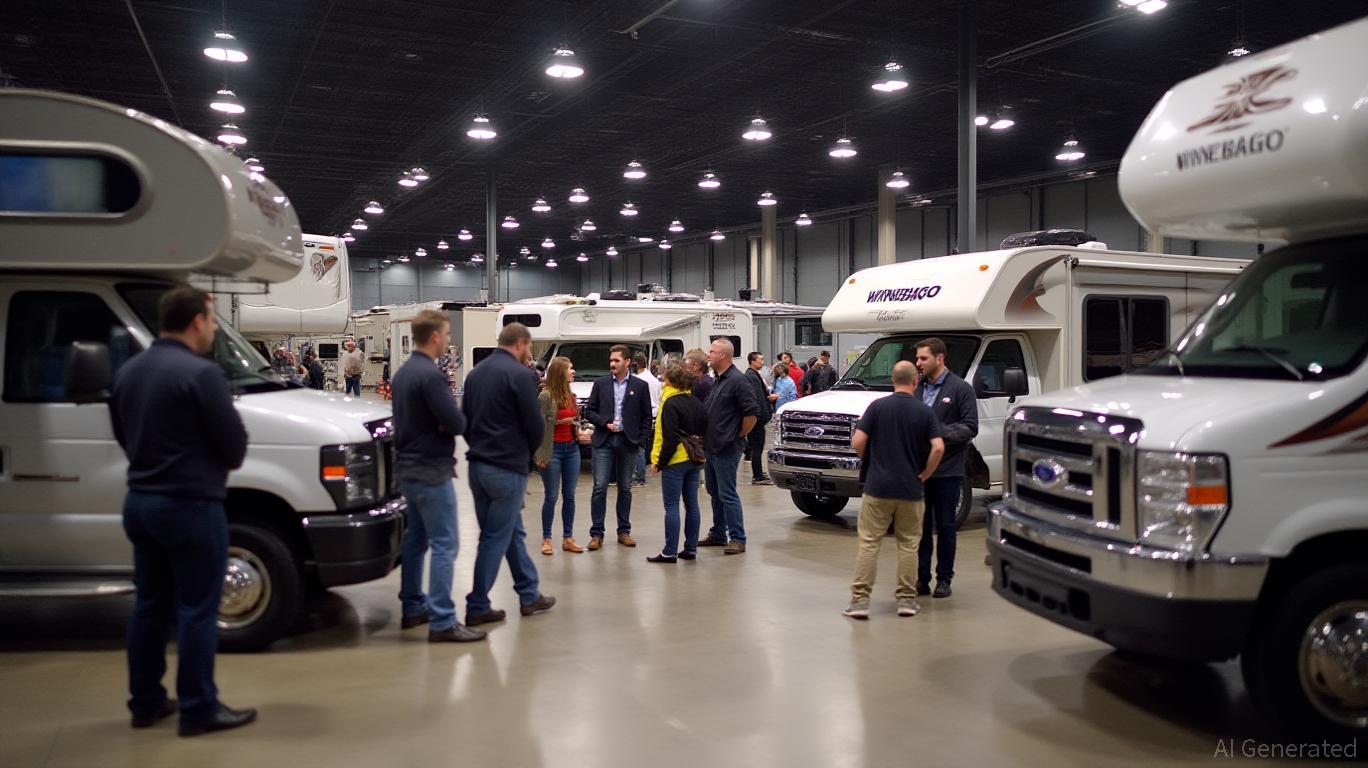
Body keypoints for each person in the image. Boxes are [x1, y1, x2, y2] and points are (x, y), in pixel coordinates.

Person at [108, 285, 256, 737]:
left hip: (140, 502)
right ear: (196, 322)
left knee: (149, 606)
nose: (214, 330)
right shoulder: (202, 374)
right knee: (196, 609)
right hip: (190, 506)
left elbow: (123, 435)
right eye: (212, 321)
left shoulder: (129, 371)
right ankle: (198, 708)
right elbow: (234, 447)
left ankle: (146, 702)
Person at [391, 310, 483, 643]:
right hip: (431, 469)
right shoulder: (431, 376)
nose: (448, 340)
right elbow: (457, 423)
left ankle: (413, 606)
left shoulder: (403, 373)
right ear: (434, 337)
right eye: (446, 334)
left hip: (407, 468)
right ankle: (443, 620)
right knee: (446, 543)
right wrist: (447, 421)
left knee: (416, 539)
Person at [462, 323, 556, 627]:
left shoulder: (475, 374)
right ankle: (477, 605)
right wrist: (524, 454)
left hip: (478, 466)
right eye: (529, 347)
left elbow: (464, 420)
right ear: (521, 344)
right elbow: (535, 425)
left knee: (511, 531)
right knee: (494, 537)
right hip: (506, 468)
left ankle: (529, 594)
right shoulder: (521, 375)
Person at [843, 361, 945, 620]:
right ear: (915, 382)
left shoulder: (877, 407)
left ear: (892, 380)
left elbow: (858, 441)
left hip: (877, 487)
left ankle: (860, 602)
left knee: (869, 543)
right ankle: (907, 600)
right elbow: (938, 447)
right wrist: (926, 473)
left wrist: (873, 459)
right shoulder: (924, 412)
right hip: (911, 489)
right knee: (909, 545)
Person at [913, 337, 979, 600]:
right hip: (920, 471)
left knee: (946, 525)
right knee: (921, 526)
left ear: (940, 358)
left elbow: (970, 427)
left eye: (923, 358)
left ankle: (944, 579)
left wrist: (937, 434)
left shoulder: (961, 389)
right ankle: (921, 578)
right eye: (917, 358)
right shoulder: (917, 388)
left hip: (948, 471)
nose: (918, 363)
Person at [583, 344, 653, 549]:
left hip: (627, 441)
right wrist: (605, 423)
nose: (612, 364)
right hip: (604, 440)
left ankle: (624, 531)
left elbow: (646, 416)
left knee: (625, 487)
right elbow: (590, 411)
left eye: (617, 360)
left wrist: (641, 441)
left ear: (627, 362)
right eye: (611, 360)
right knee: (600, 487)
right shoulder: (601, 384)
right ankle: (596, 534)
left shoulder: (640, 386)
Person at [699, 338, 760, 554]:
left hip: (727, 448)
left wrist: (736, 436)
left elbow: (752, 414)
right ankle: (718, 533)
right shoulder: (719, 380)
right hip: (712, 447)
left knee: (727, 493)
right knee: (714, 491)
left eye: (712, 351)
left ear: (723, 355)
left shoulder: (738, 380)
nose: (708, 355)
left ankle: (737, 538)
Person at [646, 363, 708, 563]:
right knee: (692, 504)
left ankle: (669, 551)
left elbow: (669, 438)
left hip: (675, 461)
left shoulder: (670, 403)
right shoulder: (696, 401)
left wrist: (660, 462)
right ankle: (690, 549)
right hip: (694, 458)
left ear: (671, 382)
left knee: (671, 506)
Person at [534, 356, 584, 556]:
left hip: (572, 449)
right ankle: (546, 538)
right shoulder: (545, 396)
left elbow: (574, 419)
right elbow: (538, 426)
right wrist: (539, 454)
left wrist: (579, 431)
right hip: (552, 450)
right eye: (570, 369)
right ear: (559, 373)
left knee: (570, 495)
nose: (573, 372)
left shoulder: (571, 395)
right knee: (552, 495)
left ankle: (568, 538)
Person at [631, 352, 662, 487]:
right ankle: (641, 475)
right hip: (654, 414)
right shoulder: (655, 380)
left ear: (636, 364)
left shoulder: (638, 380)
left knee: (638, 446)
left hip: (641, 414)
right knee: (646, 444)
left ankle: (638, 476)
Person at [743, 351, 773, 485]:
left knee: (756, 447)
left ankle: (759, 472)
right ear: (752, 361)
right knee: (757, 448)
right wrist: (761, 417)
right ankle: (758, 476)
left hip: (756, 418)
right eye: (760, 359)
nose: (762, 362)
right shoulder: (752, 377)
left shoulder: (752, 375)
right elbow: (757, 398)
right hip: (757, 420)